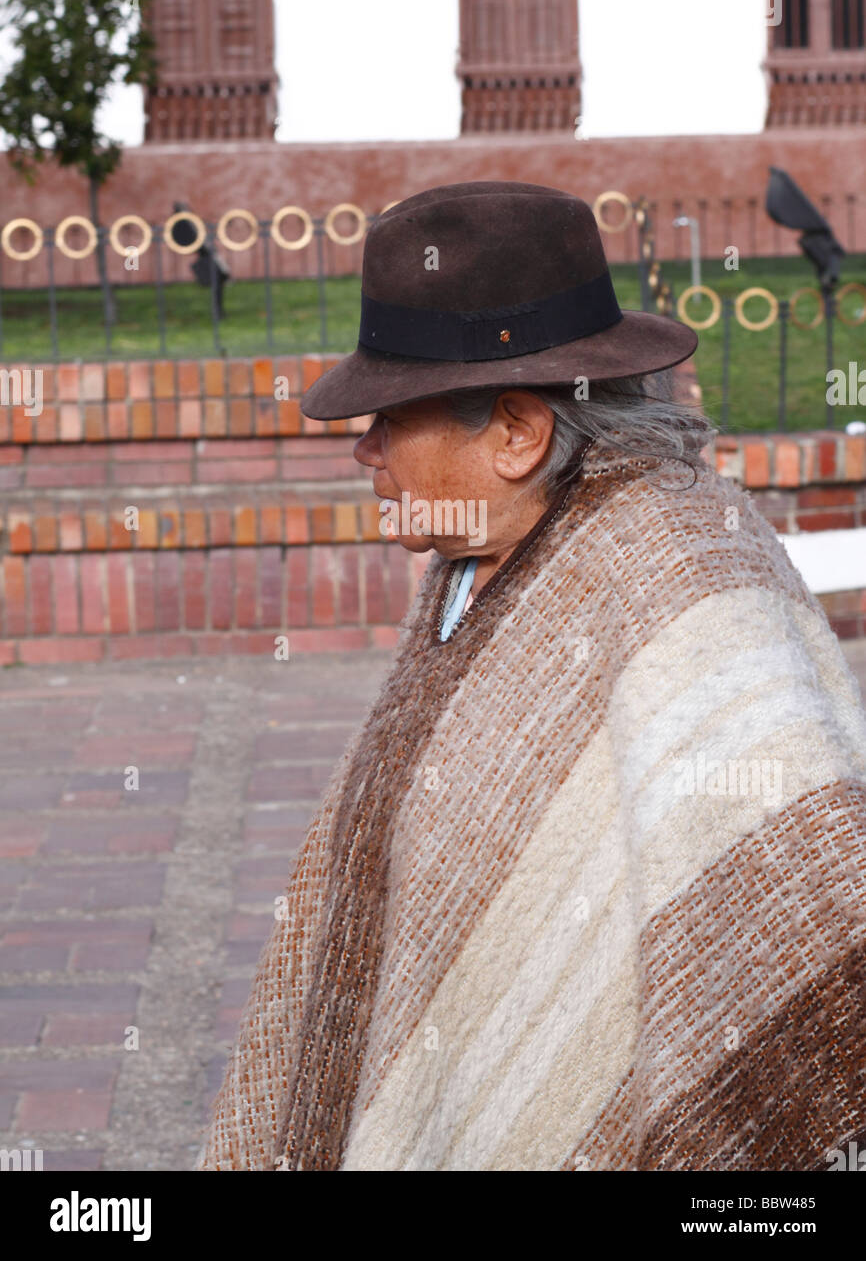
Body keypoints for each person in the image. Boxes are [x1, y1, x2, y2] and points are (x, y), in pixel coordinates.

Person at [197, 181, 866, 1171]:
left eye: (389, 415)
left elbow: (793, 898)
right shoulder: (472, 557)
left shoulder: (677, 566)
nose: (363, 449)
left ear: (516, 433)